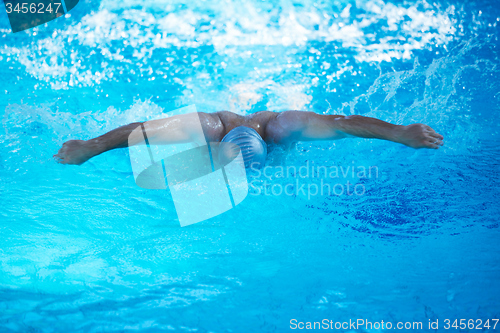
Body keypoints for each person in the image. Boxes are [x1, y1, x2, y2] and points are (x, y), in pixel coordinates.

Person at [54, 110, 444, 167]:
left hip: (269, 132)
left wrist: (399, 133)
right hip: (218, 127)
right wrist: (93, 146)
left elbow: (339, 123)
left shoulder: (281, 128)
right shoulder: (208, 129)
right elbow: (142, 131)